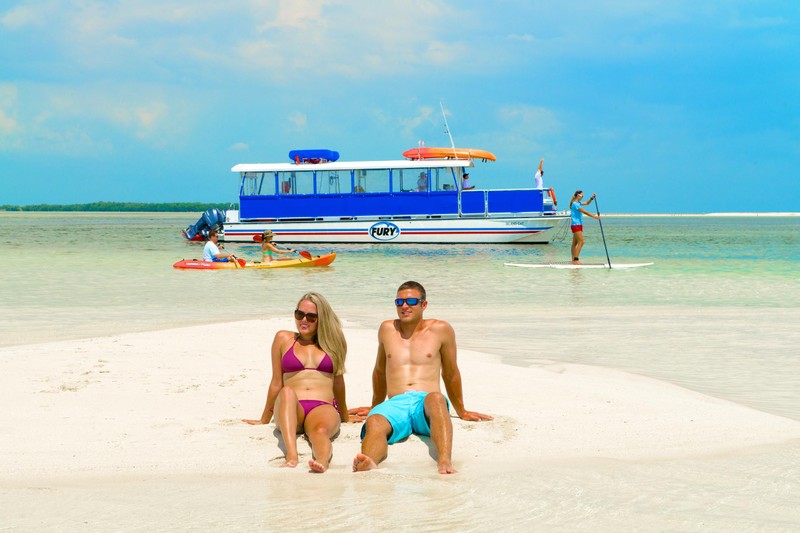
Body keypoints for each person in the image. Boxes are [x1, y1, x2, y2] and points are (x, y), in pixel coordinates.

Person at [350, 281, 492, 474]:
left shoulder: (441, 330)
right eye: (399, 302)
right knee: (374, 421)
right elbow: (380, 371)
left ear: (423, 305)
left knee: (436, 398)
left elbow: (450, 373)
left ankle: (444, 462)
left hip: (425, 403)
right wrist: (375, 405)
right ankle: (368, 462)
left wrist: (462, 410)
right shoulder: (386, 329)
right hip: (396, 403)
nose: (404, 306)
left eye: (411, 301)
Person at [242, 292, 349, 473]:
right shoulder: (283, 339)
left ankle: (322, 461)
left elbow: (338, 382)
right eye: (299, 314)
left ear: (321, 318)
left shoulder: (335, 342)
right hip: (291, 407)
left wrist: (345, 417)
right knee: (286, 391)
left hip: (322, 407)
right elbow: (276, 382)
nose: (303, 320)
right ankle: (292, 455)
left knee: (321, 431)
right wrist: (264, 419)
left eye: (311, 316)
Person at [569, 190, 600, 264]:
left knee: (574, 243)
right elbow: (585, 212)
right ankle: (576, 260)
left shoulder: (578, 203)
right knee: (581, 242)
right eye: (581, 195)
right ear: (577, 195)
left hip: (578, 224)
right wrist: (595, 217)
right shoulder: (575, 204)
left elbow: (587, 203)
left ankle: (573, 259)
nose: (582, 196)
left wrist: (591, 198)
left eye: (583, 195)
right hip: (576, 225)